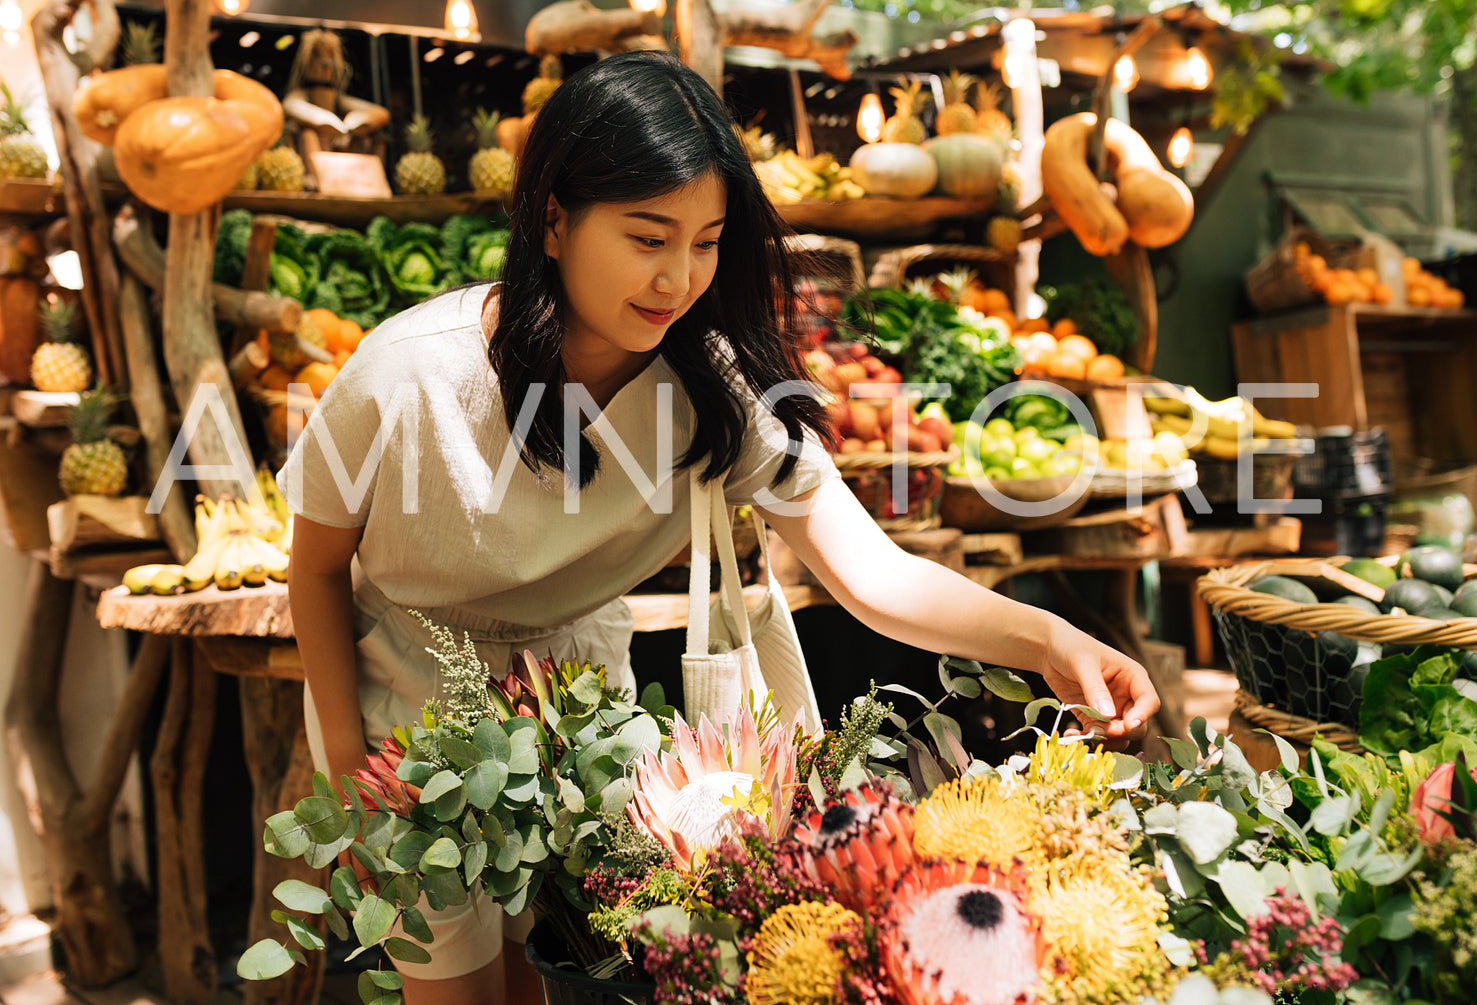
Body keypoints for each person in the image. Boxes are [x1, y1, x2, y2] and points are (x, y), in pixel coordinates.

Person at [281, 50, 1158, 1005]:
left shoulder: (711, 390)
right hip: (411, 706)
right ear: (553, 218)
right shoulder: (407, 373)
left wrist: (1053, 638)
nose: (679, 278)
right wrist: (342, 768)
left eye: (706, 242)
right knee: (454, 991)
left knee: (550, 982)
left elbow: (871, 572)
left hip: (580, 710)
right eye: (648, 236)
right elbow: (318, 568)